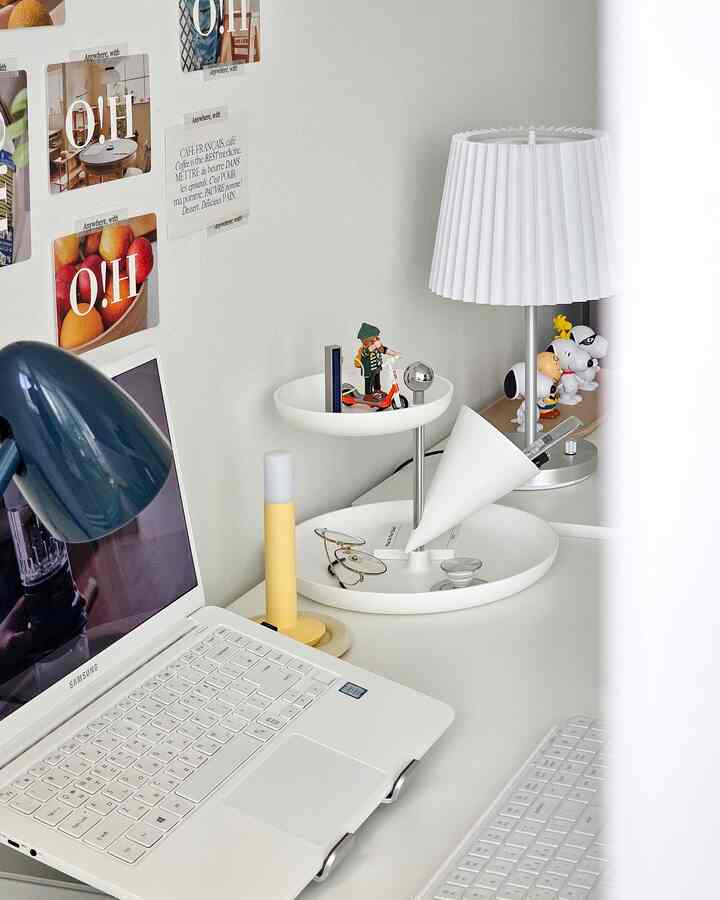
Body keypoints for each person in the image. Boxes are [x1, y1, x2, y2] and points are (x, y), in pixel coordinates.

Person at [354, 323, 397, 400]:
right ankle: (368, 395)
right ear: (364, 341)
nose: (375, 341)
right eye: (372, 340)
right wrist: (375, 345)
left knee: (377, 380)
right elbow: (368, 351)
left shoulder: (377, 347)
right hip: (368, 370)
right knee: (369, 382)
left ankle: (377, 391)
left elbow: (384, 350)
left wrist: (395, 353)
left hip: (376, 368)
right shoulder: (364, 349)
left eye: (376, 338)